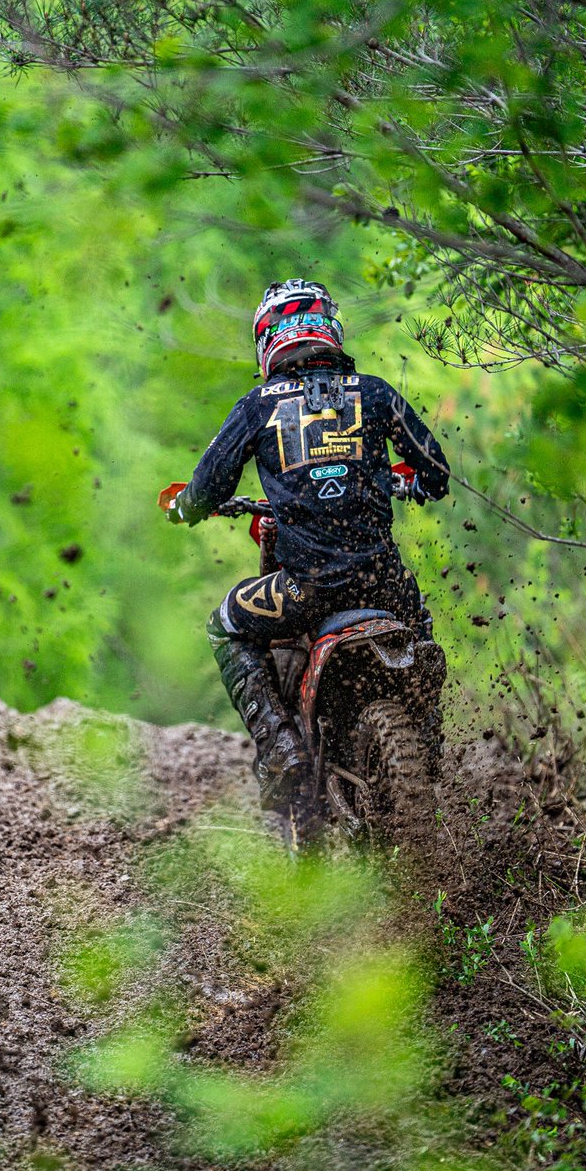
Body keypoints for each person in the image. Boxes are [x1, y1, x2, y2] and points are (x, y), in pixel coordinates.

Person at [165, 279, 450, 813]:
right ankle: (429, 743)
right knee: (422, 634)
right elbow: (435, 473)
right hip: (384, 581)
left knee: (224, 625)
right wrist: (400, 483)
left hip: (306, 588)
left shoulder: (257, 407)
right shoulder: (376, 392)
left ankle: (280, 749)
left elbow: (206, 489)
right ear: (330, 328)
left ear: (269, 340)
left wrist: (187, 507)